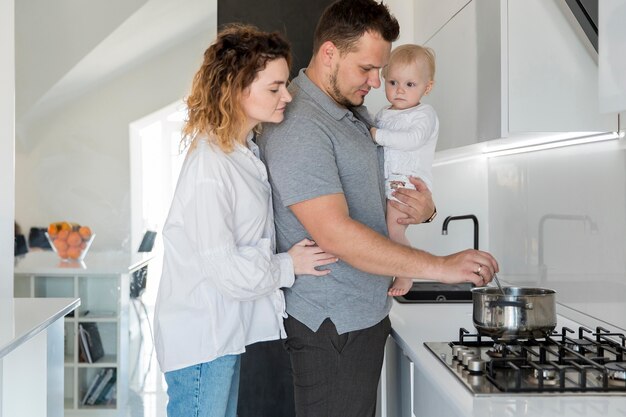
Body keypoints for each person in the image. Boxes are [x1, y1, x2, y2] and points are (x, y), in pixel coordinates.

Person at [258, 1, 499, 416]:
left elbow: (377, 191)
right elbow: (336, 234)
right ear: (330, 53)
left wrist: (424, 211)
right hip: (332, 325)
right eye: (367, 69)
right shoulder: (300, 125)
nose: (376, 82)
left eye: (380, 71)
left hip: (360, 316)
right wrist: (441, 267)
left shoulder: (350, 111)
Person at [152, 24, 337, 417]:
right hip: (201, 338)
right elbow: (227, 271)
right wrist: (291, 264)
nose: (287, 96)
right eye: (274, 88)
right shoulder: (210, 165)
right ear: (237, 89)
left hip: (220, 335)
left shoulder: (243, 151)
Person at [370, 44, 439, 296]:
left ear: (426, 87)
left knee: (393, 229)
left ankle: (406, 271)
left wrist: (377, 135)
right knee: (386, 230)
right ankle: (398, 267)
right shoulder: (383, 113)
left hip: (408, 183)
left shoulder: (424, 114)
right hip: (389, 181)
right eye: (393, 82)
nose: (399, 90)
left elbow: (412, 140)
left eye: (410, 84)